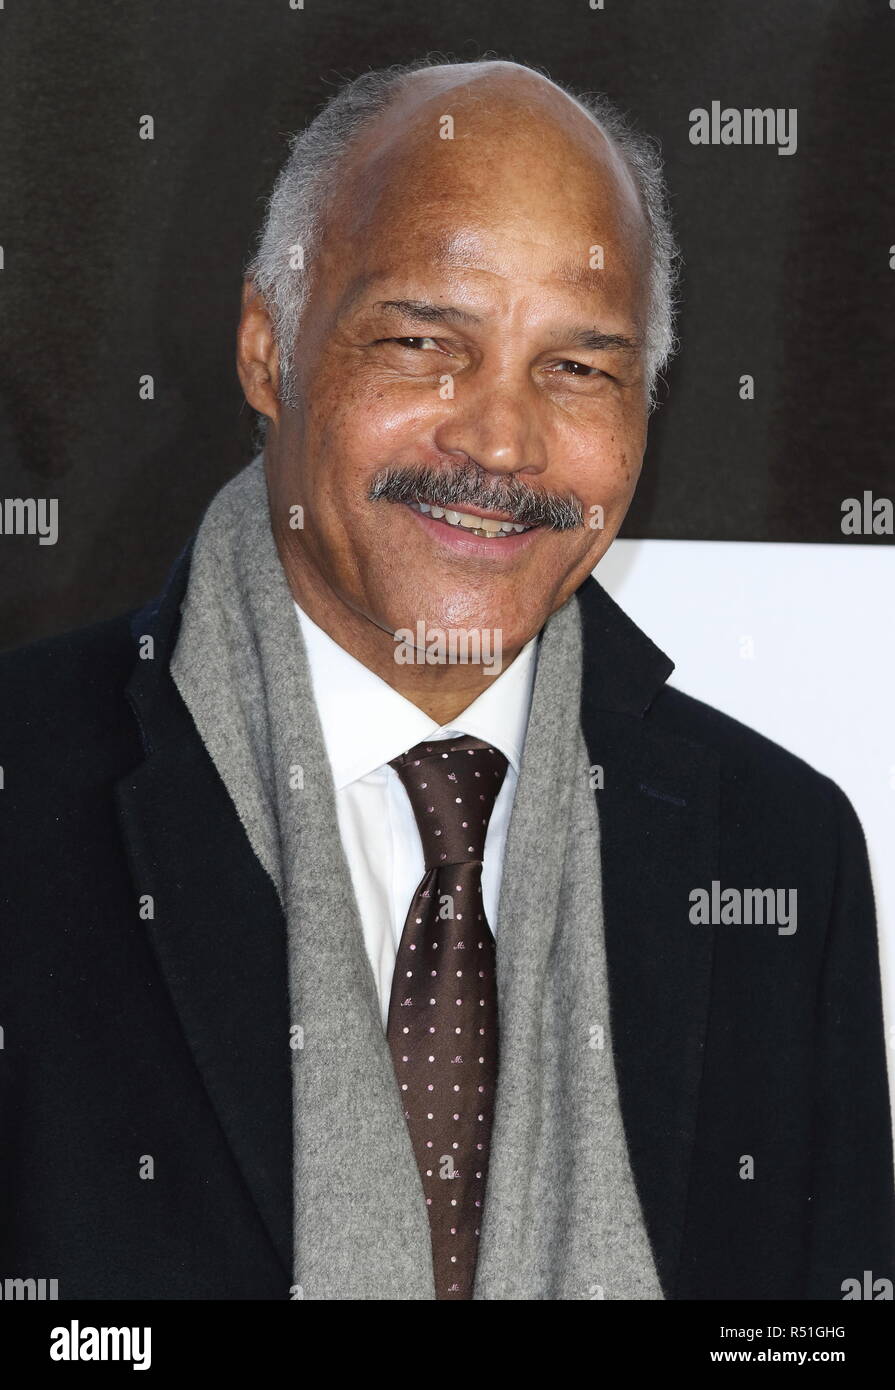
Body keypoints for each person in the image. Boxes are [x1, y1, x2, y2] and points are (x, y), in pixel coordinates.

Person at [1, 57, 892, 1302]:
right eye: (425, 342)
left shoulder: (778, 852)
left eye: (578, 368)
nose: (499, 441)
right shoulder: (25, 793)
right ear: (269, 351)